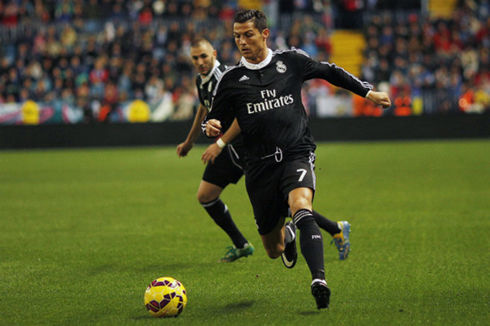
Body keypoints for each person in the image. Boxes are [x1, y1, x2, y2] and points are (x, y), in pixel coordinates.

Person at [202, 9, 391, 309]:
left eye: (248, 34)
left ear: (264, 33)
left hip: (296, 152)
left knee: (302, 206)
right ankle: (288, 234)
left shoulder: (290, 61)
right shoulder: (231, 79)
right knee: (274, 249)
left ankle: (319, 281)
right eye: (237, 36)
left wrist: (367, 92)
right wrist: (209, 126)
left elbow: (330, 71)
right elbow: (214, 118)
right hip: (259, 166)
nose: (241, 41)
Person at [176, 38, 255, 262]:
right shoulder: (201, 81)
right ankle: (241, 245)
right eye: (195, 58)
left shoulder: (225, 78)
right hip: (230, 148)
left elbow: (242, 116)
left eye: (204, 56)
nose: (200, 62)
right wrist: (189, 141)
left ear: (214, 54)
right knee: (206, 195)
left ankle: (335, 228)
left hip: (248, 147)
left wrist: (218, 144)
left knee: (279, 205)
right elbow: (204, 107)